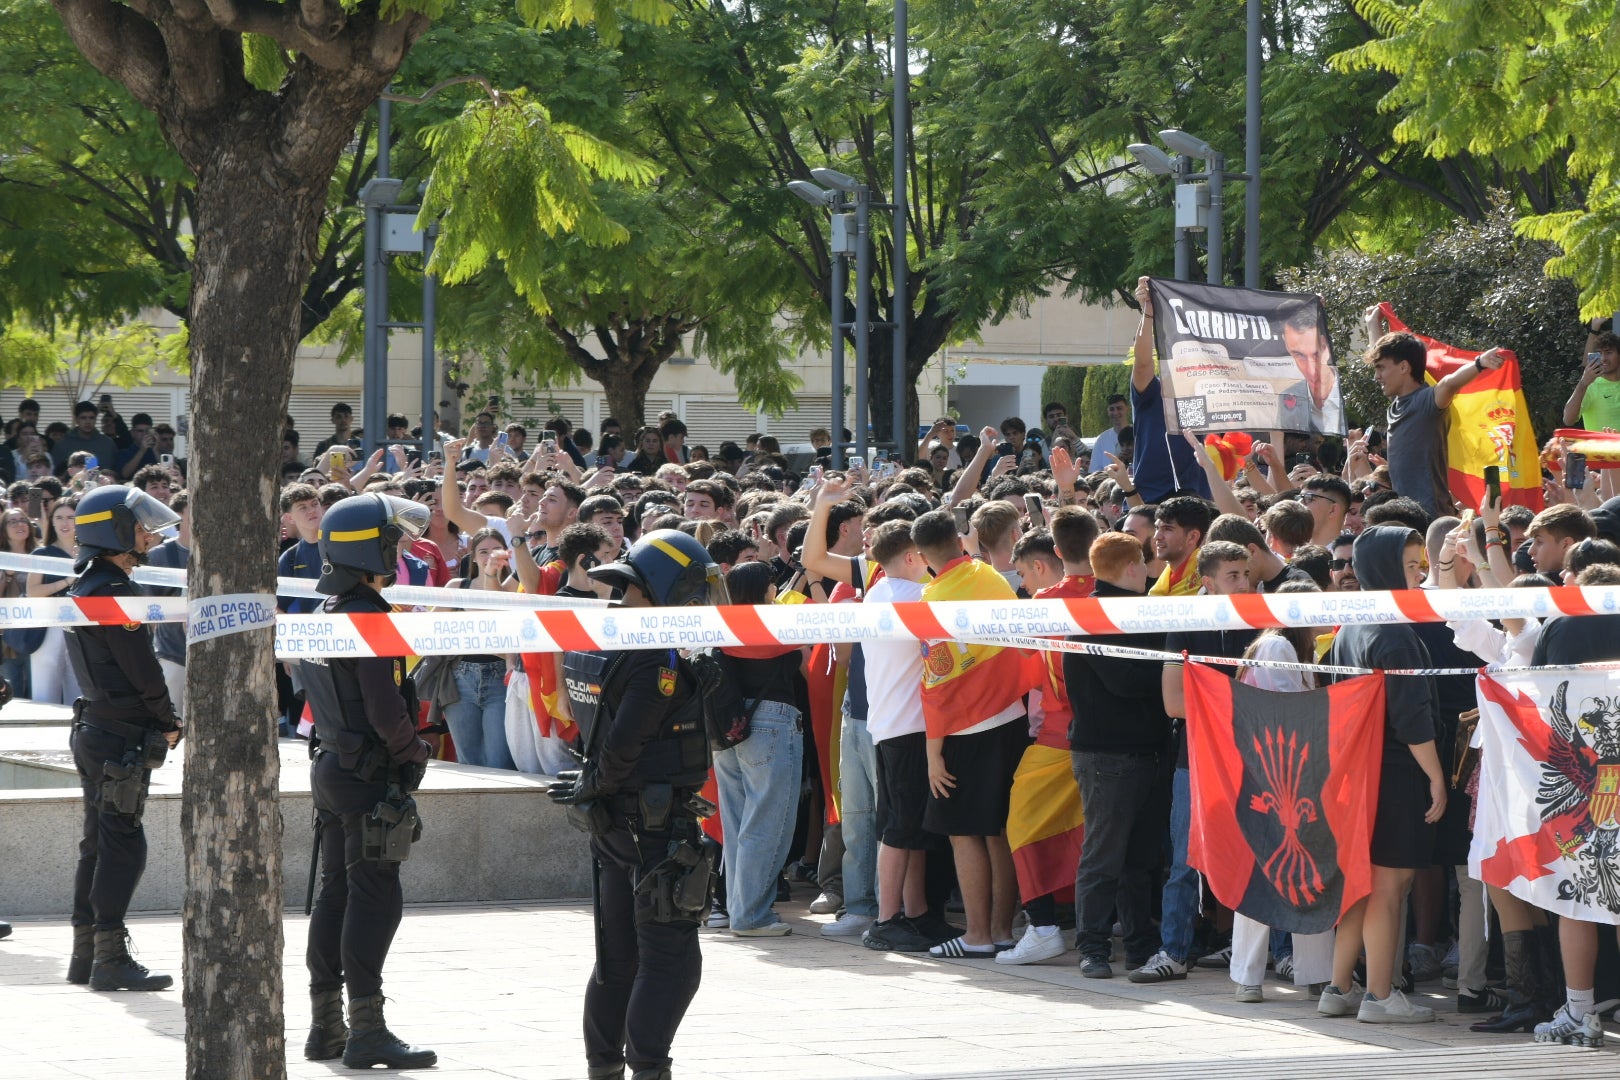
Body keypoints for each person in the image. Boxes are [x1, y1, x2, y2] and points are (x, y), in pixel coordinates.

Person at [547, 529, 722, 1080]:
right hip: (651, 824)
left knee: (618, 959)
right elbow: (625, 743)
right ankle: (649, 1070)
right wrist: (600, 784)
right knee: (670, 962)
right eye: (692, 592)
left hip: (616, 821)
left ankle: (604, 1068)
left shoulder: (608, 636)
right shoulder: (654, 656)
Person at [300, 492, 436, 1069]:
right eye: (391, 543)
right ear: (369, 551)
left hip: (334, 767)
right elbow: (385, 710)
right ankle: (367, 1030)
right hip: (370, 776)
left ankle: (326, 1026)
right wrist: (415, 751)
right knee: (375, 900)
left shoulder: (325, 612)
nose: (397, 552)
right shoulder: (370, 618)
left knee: (335, 893)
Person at [1320, 524, 1447, 1024]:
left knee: (1363, 886)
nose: (1419, 575)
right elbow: (1411, 718)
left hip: (1360, 773)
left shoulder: (1351, 625)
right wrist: (1435, 776)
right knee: (1389, 888)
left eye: (1420, 565)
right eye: (1411, 565)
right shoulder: (1394, 633)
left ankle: (1338, 987)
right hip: (1396, 775)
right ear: (1386, 567)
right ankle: (1379, 995)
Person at [61, 485, 182, 991]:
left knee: (98, 842)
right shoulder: (114, 591)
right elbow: (143, 669)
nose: (148, 536)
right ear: (114, 533)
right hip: (119, 736)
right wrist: (169, 719)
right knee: (123, 846)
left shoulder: (86, 586)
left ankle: (85, 955)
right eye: (138, 528)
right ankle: (109, 958)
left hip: (96, 727)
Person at [1067, 531, 1174, 979]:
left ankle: (1138, 945)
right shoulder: (1093, 616)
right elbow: (1125, 681)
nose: (1147, 572)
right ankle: (1092, 946)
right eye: (1144, 565)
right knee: (1104, 856)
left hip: (1145, 751)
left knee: (1140, 859)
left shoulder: (1135, 612)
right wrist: (1169, 667)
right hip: (1107, 755)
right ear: (1133, 567)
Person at [711, 561, 807, 937]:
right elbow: (805, 652)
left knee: (738, 826)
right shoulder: (777, 623)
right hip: (772, 722)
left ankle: (741, 911)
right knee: (767, 823)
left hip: (726, 726)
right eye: (772, 586)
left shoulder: (720, 623)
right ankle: (751, 915)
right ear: (764, 589)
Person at [1366, 328, 1505, 521]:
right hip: (1404, 515)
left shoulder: (1427, 402)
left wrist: (1479, 363)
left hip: (1429, 517)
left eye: (1381, 368)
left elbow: (1449, 383)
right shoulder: (1398, 404)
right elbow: (1380, 354)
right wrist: (1372, 323)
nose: (1376, 376)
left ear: (1404, 367)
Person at [1561, 320, 1620, 431]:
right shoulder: (1590, 386)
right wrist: (1583, 384)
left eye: (1609, 352)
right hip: (1598, 443)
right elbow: (1568, 420)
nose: (1603, 359)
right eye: (1599, 353)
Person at [1090, 393, 1129, 467]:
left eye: (1119, 408)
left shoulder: (1137, 434)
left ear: (1127, 409)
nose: (1115, 412)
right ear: (1108, 412)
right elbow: (1095, 470)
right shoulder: (1101, 440)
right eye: (1112, 409)